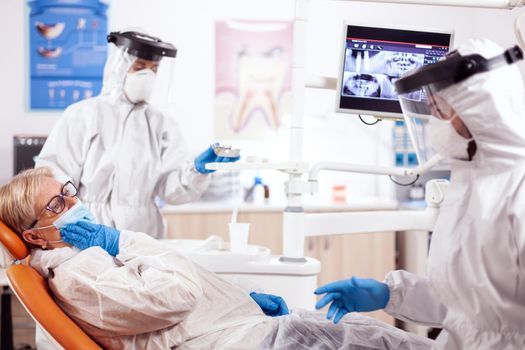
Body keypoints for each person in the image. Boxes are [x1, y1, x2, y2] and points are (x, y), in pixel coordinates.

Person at [0, 167, 433, 349]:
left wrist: (240, 299)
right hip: (236, 344)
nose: (71, 202)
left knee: (359, 329)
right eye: (56, 205)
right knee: (372, 341)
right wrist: (124, 241)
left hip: (240, 331)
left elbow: (170, 290)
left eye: (68, 191)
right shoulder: (78, 274)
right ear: (35, 235)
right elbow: (176, 295)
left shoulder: (85, 255)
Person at [315, 38, 525, 349]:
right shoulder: (470, 182)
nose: (435, 122)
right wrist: (391, 293)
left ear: (480, 110)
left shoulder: (517, 190)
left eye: (441, 109)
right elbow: (468, 304)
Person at [35, 30, 238, 239]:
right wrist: (76, 221)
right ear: (119, 68)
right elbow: (53, 175)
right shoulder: (83, 114)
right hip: (89, 228)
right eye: (139, 68)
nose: (147, 76)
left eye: (154, 69)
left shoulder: (161, 123)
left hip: (143, 233)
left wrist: (196, 170)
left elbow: (170, 191)